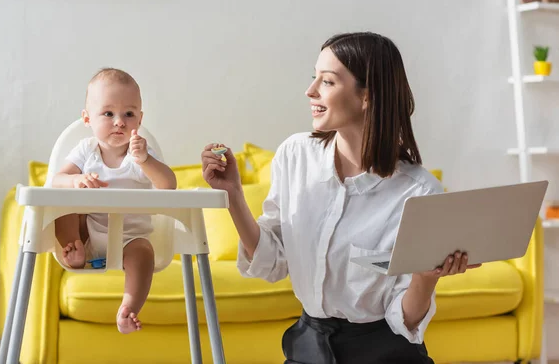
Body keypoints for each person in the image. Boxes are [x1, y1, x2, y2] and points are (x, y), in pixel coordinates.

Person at [201, 32, 480, 363]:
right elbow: (272, 262)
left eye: (328, 81)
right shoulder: (295, 155)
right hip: (308, 344)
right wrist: (233, 195)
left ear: (366, 95)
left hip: (385, 351)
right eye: (314, 77)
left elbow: (404, 320)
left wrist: (425, 276)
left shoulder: (417, 192)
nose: (311, 90)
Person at [51, 68, 177, 334]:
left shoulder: (140, 154)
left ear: (139, 119)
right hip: (88, 233)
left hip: (130, 239)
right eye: (108, 113)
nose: (119, 121)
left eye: (128, 114)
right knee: (63, 208)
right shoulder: (86, 151)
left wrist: (146, 161)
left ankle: (128, 307)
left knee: (145, 253)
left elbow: (168, 185)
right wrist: (76, 180)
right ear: (87, 119)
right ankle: (75, 252)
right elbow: (57, 180)